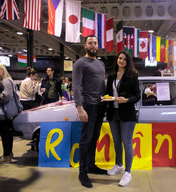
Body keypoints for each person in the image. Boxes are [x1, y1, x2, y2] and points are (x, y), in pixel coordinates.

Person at [72, 35, 107, 188]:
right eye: (90, 43)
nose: (93, 45)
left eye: (95, 43)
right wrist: (80, 108)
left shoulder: (100, 63)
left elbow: (101, 85)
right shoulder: (81, 63)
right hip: (88, 106)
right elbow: (76, 86)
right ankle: (82, 172)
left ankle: (91, 165)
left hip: (100, 106)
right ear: (85, 46)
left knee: (95, 137)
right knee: (86, 139)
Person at [105, 51, 140, 187]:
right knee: (116, 141)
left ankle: (128, 172)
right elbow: (108, 93)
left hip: (127, 114)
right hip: (113, 113)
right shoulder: (112, 76)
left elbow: (137, 96)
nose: (121, 61)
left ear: (128, 61)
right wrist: (106, 98)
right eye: (120, 58)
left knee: (127, 143)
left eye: (124, 59)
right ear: (117, 60)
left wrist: (126, 100)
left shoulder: (132, 76)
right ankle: (119, 165)